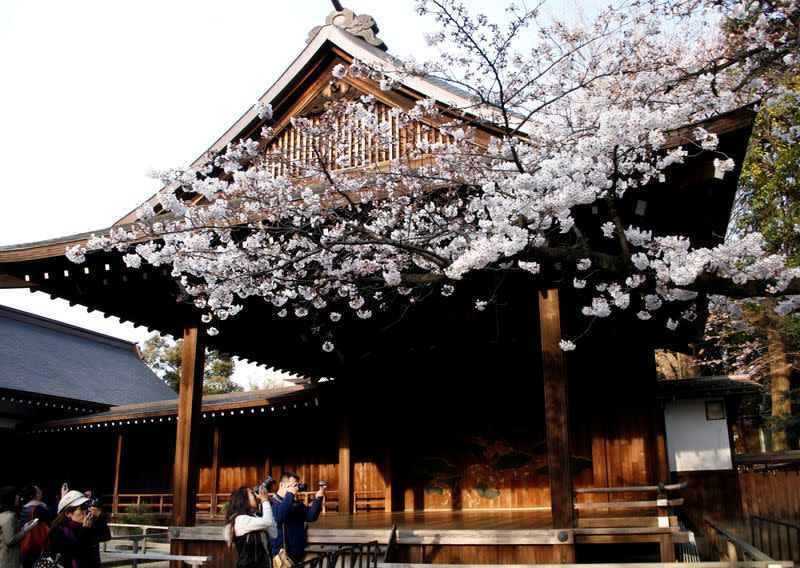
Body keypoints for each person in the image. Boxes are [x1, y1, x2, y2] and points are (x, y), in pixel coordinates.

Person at [268, 473, 326, 565]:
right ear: (281, 485)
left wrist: (317, 499)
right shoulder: (271, 503)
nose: (296, 488)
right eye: (292, 485)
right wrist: (289, 494)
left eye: (296, 485)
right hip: (281, 556)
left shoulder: (295, 503)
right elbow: (280, 516)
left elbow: (311, 516)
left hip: (297, 554)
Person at [47, 489, 111, 568]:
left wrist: (99, 517)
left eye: (86, 507)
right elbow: (73, 552)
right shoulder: (57, 531)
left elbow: (106, 536)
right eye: (81, 508)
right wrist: (85, 529)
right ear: (68, 513)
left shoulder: (88, 526)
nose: (86, 511)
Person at [224, 485, 278, 568]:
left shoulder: (255, 517)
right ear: (243, 499)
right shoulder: (240, 520)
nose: (255, 495)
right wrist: (265, 500)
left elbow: (273, 533)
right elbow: (268, 521)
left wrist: (265, 506)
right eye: (252, 493)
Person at [0, 486, 37, 568]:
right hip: (8, 562)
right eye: (15, 495)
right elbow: (10, 540)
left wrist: (23, 528)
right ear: (9, 498)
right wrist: (26, 530)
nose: (18, 497)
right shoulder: (9, 517)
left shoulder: (2, 515)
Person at [18, 485, 55, 568]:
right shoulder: (37, 509)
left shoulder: (24, 507)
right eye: (38, 492)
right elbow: (54, 515)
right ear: (32, 496)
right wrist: (63, 499)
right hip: (35, 548)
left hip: (25, 546)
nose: (41, 493)